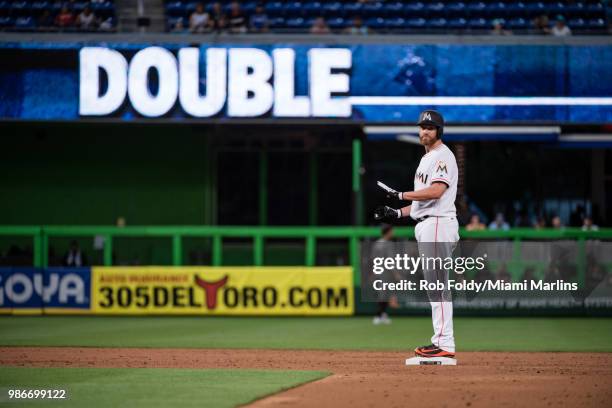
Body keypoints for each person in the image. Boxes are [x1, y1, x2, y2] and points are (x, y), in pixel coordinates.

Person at [374, 110, 459, 359]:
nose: (425, 131)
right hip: (429, 222)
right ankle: (443, 341)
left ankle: (444, 343)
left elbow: (435, 192)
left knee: (438, 285)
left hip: (437, 223)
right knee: (435, 285)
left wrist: (400, 195)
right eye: (422, 127)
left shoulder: (443, 156)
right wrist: (395, 213)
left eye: (430, 128)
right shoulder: (427, 159)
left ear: (439, 131)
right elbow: (421, 204)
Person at [372, 224, 396, 325]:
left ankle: (382, 315)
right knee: (383, 294)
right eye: (391, 231)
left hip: (380, 271)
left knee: (385, 294)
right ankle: (378, 316)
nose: (393, 233)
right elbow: (389, 261)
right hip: (384, 272)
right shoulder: (386, 244)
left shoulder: (378, 243)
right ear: (388, 232)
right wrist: (395, 273)